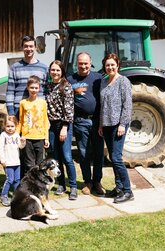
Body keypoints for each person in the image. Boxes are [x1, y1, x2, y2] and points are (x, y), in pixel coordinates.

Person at [67, 52, 105, 196]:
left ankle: (97, 182)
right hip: (80, 121)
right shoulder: (71, 80)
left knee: (99, 153)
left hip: (97, 121)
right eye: (80, 63)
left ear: (90, 63)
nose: (83, 66)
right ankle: (87, 182)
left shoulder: (98, 78)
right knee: (83, 153)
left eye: (86, 63)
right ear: (77, 63)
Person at [98, 53, 134, 203]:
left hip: (118, 125)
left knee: (116, 158)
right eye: (107, 65)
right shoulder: (104, 82)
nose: (110, 67)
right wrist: (101, 124)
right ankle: (118, 188)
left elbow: (127, 104)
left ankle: (127, 191)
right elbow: (103, 106)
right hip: (106, 125)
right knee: (113, 158)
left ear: (117, 65)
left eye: (112, 64)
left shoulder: (123, 81)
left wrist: (122, 124)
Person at [45, 60, 78, 200]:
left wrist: (64, 127)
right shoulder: (47, 86)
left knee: (67, 157)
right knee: (56, 157)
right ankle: (61, 184)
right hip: (51, 126)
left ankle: (74, 186)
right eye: (53, 70)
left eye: (58, 70)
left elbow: (69, 109)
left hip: (63, 125)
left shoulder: (66, 86)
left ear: (62, 71)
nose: (55, 72)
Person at [6, 35, 48, 118]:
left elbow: (47, 91)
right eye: (26, 46)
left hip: (38, 111)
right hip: (19, 111)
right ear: (22, 48)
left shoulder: (44, 68)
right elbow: (10, 91)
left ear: (35, 47)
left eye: (31, 46)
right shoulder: (15, 68)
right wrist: (11, 112)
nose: (29, 49)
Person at [18, 75, 50, 177]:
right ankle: (30, 184)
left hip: (40, 138)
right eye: (31, 87)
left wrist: (46, 138)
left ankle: (39, 184)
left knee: (40, 163)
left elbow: (45, 121)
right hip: (27, 138)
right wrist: (18, 136)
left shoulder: (43, 103)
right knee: (29, 164)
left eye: (36, 88)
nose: (34, 90)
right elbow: (21, 121)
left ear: (39, 88)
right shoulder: (23, 103)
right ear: (27, 88)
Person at [0, 115, 26, 207]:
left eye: (12, 126)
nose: (10, 128)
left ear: (16, 126)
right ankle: (4, 195)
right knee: (9, 179)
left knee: (17, 180)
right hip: (8, 162)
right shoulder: (3, 135)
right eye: (8, 126)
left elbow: (20, 146)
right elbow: (0, 148)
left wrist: (23, 142)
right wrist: (2, 160)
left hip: (16, 162)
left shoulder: (16, 135)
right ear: (4, 126)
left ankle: (16, 196)